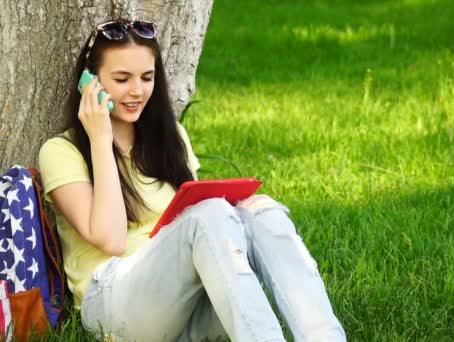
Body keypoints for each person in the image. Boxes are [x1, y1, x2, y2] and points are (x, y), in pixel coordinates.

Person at [38, 18, 346, 342]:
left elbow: (206, 229)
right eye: (121, 78)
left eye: (147, 77)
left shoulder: (170, 139)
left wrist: (243, 212)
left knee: (262, 210)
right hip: (114, 306)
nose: (137, 91)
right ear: (90, 82)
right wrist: (100, 139)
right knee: (207, 214)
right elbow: (112, 240)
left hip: (184, 311)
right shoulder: (61, 151)